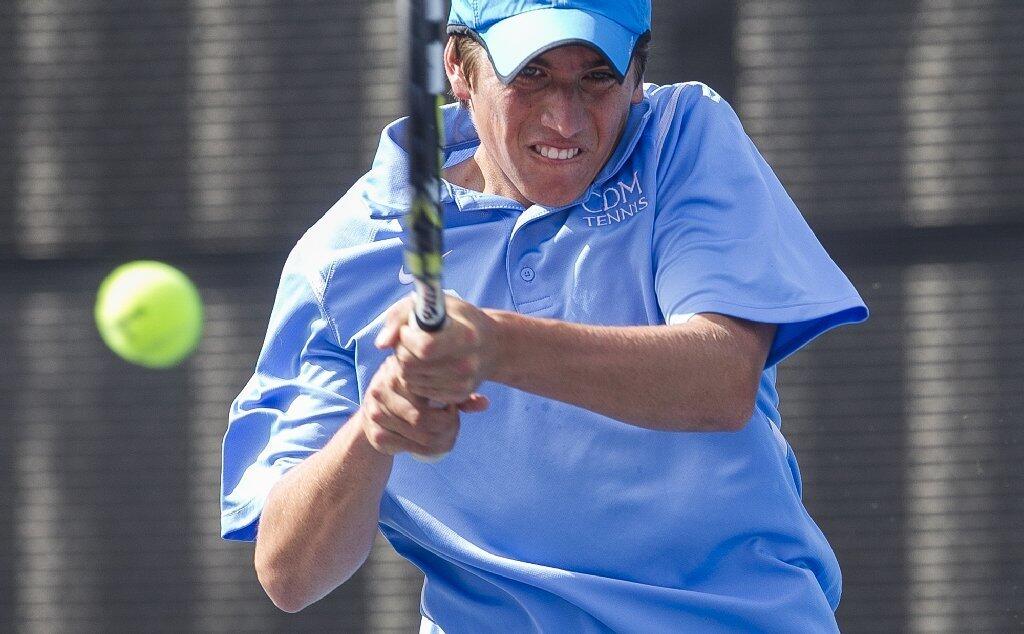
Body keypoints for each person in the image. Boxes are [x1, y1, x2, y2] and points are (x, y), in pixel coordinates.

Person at [221, 0, 868, 630]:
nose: (566, 119)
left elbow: (723, 381)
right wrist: (374, 427)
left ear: (637, 78)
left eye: (597, 78)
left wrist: (497, 346)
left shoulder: (682, 136)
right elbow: (290, 574)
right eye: (529, 74)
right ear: (459, 69)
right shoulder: (339, 259)